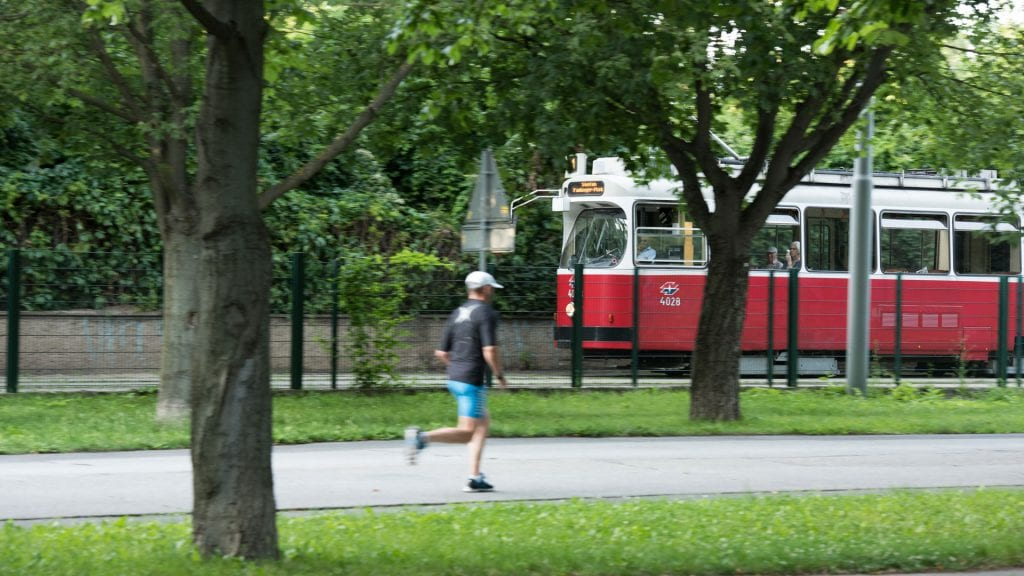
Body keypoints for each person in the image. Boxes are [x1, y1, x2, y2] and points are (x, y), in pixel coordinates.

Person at [405, 270, 509, 492]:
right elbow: (490, 350)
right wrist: (500, 376)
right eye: (492, 288)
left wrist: (458, 368)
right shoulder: (486, 313)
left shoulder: (457, 312)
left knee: (482, 424)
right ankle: (421, 438)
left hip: (455, 378)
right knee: (467, 432)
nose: (492, 292)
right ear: (487, 289)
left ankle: (475, 477)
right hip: (471, 380)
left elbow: (441, 353)